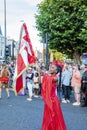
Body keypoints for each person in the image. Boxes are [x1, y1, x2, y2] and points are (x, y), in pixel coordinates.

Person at [41, 64, 66, 130]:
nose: (50, 69)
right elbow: (43, 81)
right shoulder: (49, 76)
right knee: (48, 116)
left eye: (52, 68)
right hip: (49, 100)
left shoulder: (55, 78)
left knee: (53, 116)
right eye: (50, 67)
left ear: (56, 71)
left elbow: (47, 78)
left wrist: (44, 74)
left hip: (53, 100)